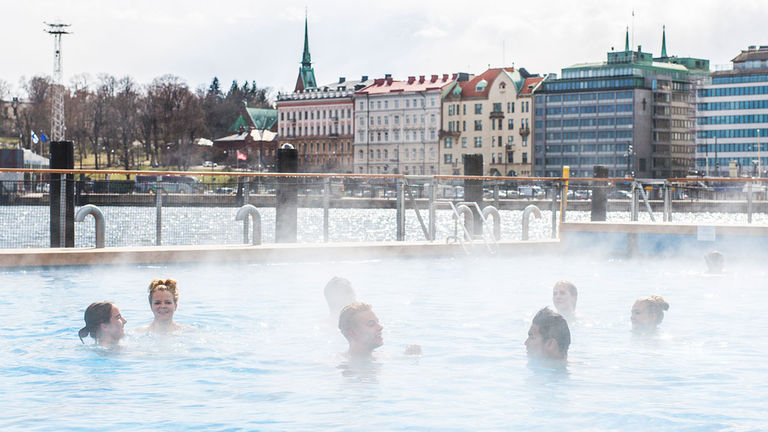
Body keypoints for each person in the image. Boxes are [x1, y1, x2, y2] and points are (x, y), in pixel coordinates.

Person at [338, 302, 421, 360]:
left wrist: (410, 356)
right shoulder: (341, 364)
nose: (380, 327)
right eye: (371, 324)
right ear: (353, 333)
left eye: (377, 322)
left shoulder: (385, 357)